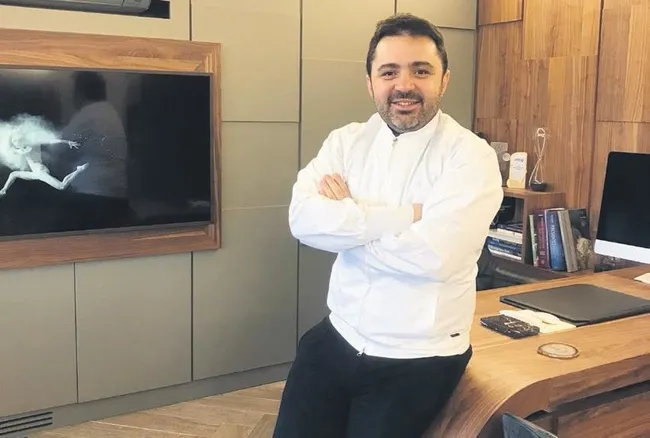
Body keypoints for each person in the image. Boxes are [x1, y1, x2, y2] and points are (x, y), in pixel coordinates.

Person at [274, 13, 504, 438]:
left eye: (421, 71)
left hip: (418, 358)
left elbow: (434, 258)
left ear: (444, 80)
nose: (404, 85)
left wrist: (347, 220)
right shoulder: (345, 141)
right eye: (389, 71)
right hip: (338, 334)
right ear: (370, 83)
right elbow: (302, 219)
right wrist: (406, 216)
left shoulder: (471, 157)